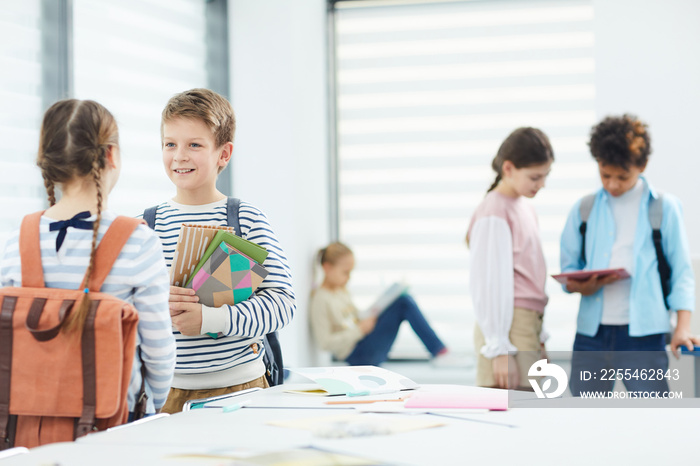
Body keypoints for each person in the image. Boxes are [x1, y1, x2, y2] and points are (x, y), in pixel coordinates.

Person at [0, 99, 176, 418]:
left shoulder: (16, 240)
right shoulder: (138, 241)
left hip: (23, 430)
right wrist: (152, 406)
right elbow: (159, 353)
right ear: (111, 154)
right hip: (113, 429)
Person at [146, 88, 295, 413]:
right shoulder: (145, 227)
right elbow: (122, 315)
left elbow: (282, 304)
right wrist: (156, 305)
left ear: (223, 154)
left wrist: (211, 318)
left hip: (243, 389)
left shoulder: (246, 219)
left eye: (194, 145)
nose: (179, 156)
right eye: (170, 144)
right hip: (165, 395)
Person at [560, 114, 698, 396]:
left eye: (622, 177)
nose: (612, 184)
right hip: (591, 336)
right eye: (605, 174)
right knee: (583, 419)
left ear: (642, 166)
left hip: (644, 337)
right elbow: (568, 271)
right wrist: (579, 285)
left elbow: (682, 272)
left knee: (651, 419)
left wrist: (682, 328)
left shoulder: (664, 208)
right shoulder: (583, 209)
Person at [466, 127, 554, 390]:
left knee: (528, 411)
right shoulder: (494, 211)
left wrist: (540, 340)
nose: (541, 184)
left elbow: (531, 278)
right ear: (508, 169)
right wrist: (499, 348)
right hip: (507, 327)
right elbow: (489, 284)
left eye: (545, 176)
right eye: (535, 177)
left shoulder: (524, 207)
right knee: (507, 410)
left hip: (525, 324)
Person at [309, 242, 450, 366]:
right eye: (345, 272)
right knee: (403, 303)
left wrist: (372, 313)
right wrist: (359, 330)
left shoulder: (341, 291)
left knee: (402, 299)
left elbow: (354, 317)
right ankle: (440, 351)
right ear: (327, 268)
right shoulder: (321, 300)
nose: (348, 278)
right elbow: (325, 343)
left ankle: (440, 351)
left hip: (364, 340)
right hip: (358, 355)